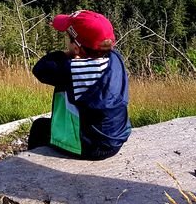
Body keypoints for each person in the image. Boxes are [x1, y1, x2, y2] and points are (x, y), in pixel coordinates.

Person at [27, 10, 131, 160]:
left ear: (76, 47)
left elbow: (41, 69)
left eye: (67, 38)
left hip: (92, 146)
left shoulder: (74, 69)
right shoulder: (115, 59)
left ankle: (33, 171)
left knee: (40, 127)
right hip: (115, 137)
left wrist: (66, 54)